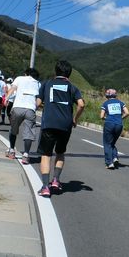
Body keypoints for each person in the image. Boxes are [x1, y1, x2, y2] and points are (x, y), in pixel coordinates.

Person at [36, 60, 85, 197]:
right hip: (65, 125)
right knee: (60, 152)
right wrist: (75, 119)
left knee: (46, 154)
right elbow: (81, 104)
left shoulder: (47, 84)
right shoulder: (72, 87)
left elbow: (37, 102)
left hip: (49, 124)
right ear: (69, 74)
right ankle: (56, 181)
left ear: (55, 71)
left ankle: (45, 187)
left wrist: (42, 107)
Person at [4, 68, 40, 163]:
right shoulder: (38, 83)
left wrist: (6, 98)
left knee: (13, 129)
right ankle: (26, 155)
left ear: (26, 74)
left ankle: (11, 151)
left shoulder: (19, 78)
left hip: (17, 107)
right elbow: (38, 98)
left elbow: (12, 89)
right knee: (29, 133)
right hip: (30, 109)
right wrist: (35, 107)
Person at [100, 88, 129, 169]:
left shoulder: (105, 103)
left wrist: (106, 119)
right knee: (112, 143)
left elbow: (101, 116)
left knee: (107, 143)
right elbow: (127, 113)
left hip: (109, 124)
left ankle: (109, 163)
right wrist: (121, 118)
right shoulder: (121, 103)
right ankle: (115, 157)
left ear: (107, 95)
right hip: (119, 124)